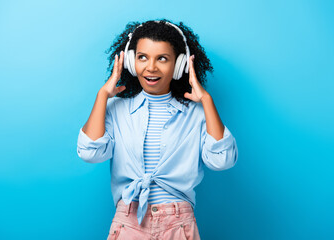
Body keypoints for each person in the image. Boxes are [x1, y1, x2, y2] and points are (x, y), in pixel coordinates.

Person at [77, 19, 238, 240]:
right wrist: (102, 96)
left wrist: (207, 101)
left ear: (179, 65)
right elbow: (90, 153)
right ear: (132, 62)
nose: (151, 67)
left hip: (178, 224)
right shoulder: (116, 109)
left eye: (162, 58)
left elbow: (223, 161)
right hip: (128, 221)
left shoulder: (198, 113)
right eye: (142, 57)